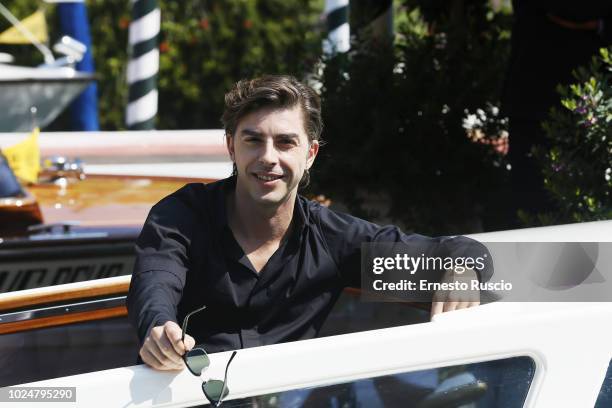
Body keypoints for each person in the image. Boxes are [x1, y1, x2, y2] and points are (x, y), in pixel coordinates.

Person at [127, 75, 491, 371]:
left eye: (286, 143)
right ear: (231, 147)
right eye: (253, 140)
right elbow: (155, 283)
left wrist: (462, 266)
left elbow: (445, 251)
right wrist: (159, 331)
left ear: (310, 154)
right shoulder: (180, 216)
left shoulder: (333, 238)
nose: (268, 157)